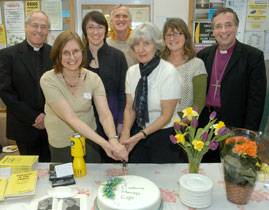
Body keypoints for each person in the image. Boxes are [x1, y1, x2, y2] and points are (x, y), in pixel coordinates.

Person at [40, 31, 128, 163]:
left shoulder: (93, 78)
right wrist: (106, 144)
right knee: (67, 182)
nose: (72, 57)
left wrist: (113, 139)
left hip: (90, 141)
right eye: (65, 53)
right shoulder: (48, 80)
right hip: (61, 143)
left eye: (76, 51)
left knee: (93, 179)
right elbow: (71, 118)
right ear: (58, 55)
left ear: (82, 52)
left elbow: (104, 114)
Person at [197, 8, 267, 162]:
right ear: (213, 31)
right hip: (205, 122)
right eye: (218, 26)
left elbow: (256, 100)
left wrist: (246, 134)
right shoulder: (203, 56)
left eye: (228, 25)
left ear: (236, 27)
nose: (223, 31)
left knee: (231, 169)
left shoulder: (253, 57)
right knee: (204, 167)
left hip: (235, 125)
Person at [119, 22, 185, 163]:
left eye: (147, 44)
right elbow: (130, 108)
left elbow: (166, 115)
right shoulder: (132, 72)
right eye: (137, 44)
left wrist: (140, 135)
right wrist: (125, 133)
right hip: (139, 132)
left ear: (156, 45)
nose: (141, 49)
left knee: (163, 181)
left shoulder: (169, 72)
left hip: (165, 135)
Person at [0, 11, 52, 162]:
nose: (39, 30)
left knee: (52, 169)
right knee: (30, 172)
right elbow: (6, 92)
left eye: (43, 27)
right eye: (35, 25)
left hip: (52, 125)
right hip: (24, 126)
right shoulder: (8, 55)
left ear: (48, 30)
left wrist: (47, 115)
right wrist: (34, 117)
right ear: (26, 27)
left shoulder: (55, 53)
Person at [82, 11, 128, 162]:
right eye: (91, 27)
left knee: (111, 163)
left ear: (106, 30)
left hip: (111, 120)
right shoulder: (77, 56)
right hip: (84, 121)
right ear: (84, 30)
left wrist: (121, 122)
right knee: (88, 162)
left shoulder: (117, 56)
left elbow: (123, 93)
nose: (96, 32)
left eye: (100, 27)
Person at [162, 18, 207, 113]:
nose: (172, 38)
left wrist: (184, 122)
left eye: (177, 34)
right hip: (157, 122)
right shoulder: (158, 64)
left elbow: (199, 101)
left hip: (184, 123)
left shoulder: (197, 65)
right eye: (169, 34)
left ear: (186, 37)